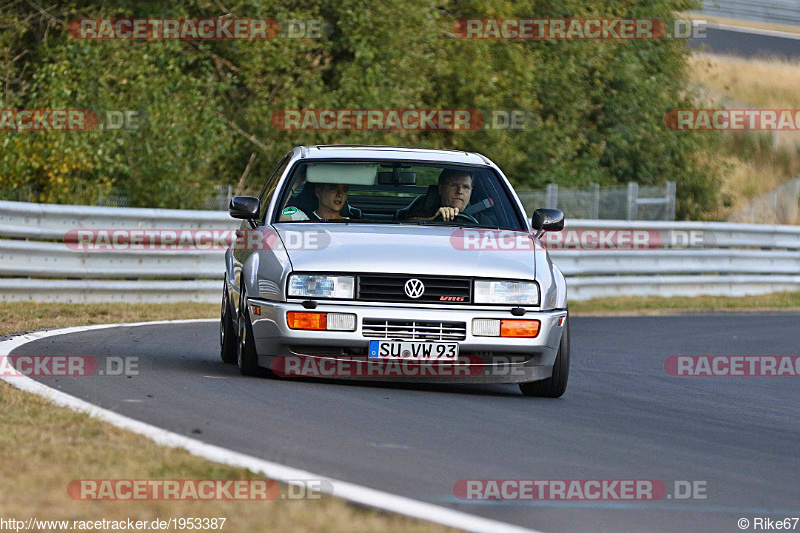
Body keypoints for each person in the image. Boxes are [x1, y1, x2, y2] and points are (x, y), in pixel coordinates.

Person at [280, 182, 350, 221]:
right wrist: (296, 182)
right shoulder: (302, 217)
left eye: (345, 190)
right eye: (333, 188)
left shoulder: (352, 224)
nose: (340, 194)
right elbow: (276, 217)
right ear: (318, 192)